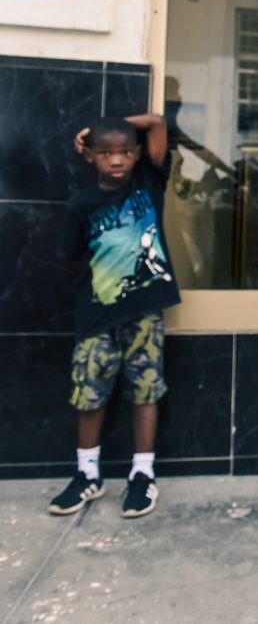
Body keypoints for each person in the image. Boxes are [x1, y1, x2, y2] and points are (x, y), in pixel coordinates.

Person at [49, 114, 178, 519]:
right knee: (89, 394)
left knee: (145, 391)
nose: (117, 160)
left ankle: (143, 473)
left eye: (125, 152)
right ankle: (88, 473)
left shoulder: (149, 184)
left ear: (137, 155)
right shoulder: (81, 204)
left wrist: (100, 127)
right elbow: (69, 258)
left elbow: (156, 123)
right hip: (96, 317)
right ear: (90, 158)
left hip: (143, 314)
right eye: (105, 153)